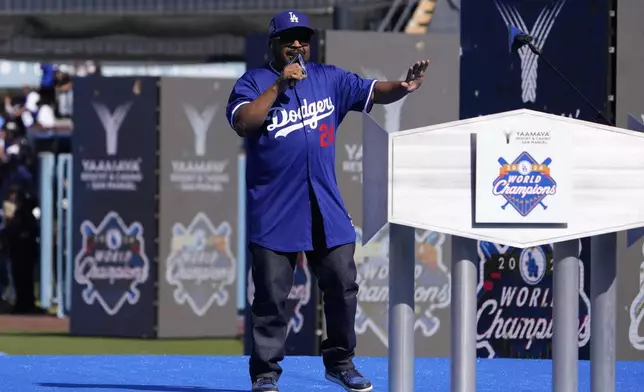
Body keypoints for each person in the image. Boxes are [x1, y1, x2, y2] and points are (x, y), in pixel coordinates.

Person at [226, 10, 429, 392]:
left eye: (303, 38)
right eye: (289, 39)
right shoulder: (253, 82)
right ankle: (265, 374)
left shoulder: (329, 78)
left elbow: (373, 90)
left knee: (341, 283)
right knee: (271, 297)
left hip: (324, 204)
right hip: (274, 209)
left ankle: (340, 362)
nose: (297, 45)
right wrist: (279, 86)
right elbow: (244, 121)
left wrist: (403, 86)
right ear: (274, 44)